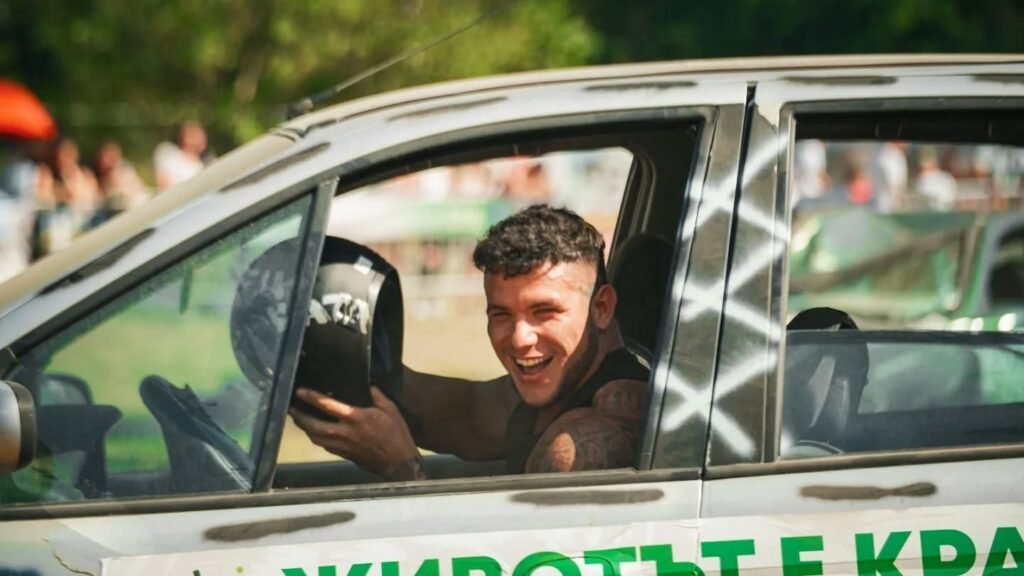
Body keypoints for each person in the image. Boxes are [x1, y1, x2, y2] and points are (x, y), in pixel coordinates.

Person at [290, 205, 650, 480]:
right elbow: (465, 412)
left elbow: (513, 554)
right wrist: (330, 360)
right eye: (501, 314)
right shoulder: (556, 387)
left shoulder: (583, 447)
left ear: (601, 308)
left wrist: (400, 466)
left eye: (544, 312)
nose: (520, 339)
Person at [153, 121, 207, 191]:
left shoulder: (199, 166)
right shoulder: (168, 152)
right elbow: (163, 183)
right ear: (186, 137)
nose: (202, 139)